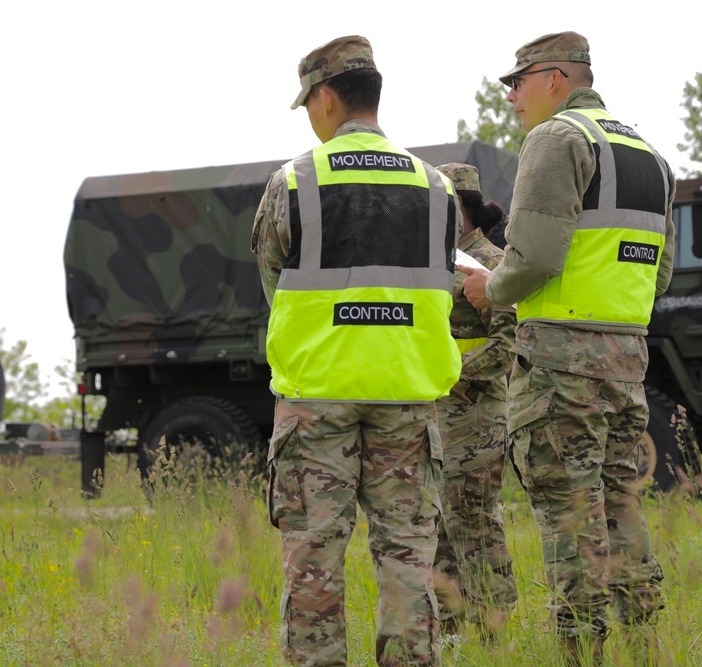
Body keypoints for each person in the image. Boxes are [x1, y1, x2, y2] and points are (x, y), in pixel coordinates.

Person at [460, 31, 675, 663]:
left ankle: (580, 652)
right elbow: (658, 275)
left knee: (569, 517)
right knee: (622, 507)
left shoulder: (557, 139)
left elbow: (534, 258)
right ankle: (644, 645)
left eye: (516, 82)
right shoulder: (650, 155)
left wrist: (489, 288)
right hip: (626, 362)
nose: (510, 98)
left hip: (559, 366)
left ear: (556, 78)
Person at [251, 35, 462, 667]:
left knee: (314, 563)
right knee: (409, 561)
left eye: (309, 104)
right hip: (408, 396)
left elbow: (272, 283)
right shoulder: (438, 187)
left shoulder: (293, 181)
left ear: (324, 97)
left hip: (318, 401)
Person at [431, 163, 518, 636]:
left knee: (475, 525)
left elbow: (510, 344)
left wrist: (450, 374)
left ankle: (495, 631)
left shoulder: (491, 261)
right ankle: (451, 630)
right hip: (435, 418)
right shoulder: (436, 259)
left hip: (477, 417)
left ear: (463, 207)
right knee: (438, 529)